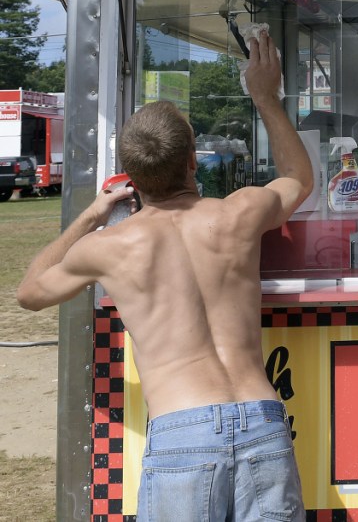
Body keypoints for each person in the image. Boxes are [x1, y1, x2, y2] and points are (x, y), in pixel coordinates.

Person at [17, 30, 313, 522]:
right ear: (194, 160)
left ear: (129, 178)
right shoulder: (238, 213)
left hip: (182, 430)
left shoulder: (110, 247)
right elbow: (299, 178)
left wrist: (92, 214)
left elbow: (30, 291)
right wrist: (266, 96)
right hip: (261, 419)